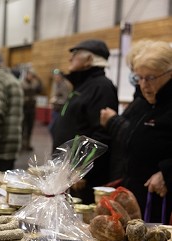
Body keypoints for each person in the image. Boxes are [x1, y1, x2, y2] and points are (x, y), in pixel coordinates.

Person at [100, 40, 172, 223]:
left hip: (161, 201)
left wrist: (166, 172)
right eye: (139, 78)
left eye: (150, 78)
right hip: (137, 194)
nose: (143, 85)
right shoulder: (144, 103)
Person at [50, 39, 119, 204]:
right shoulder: (83, 85)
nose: (69, 59)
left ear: (89, 60)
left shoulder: (101, 87)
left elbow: (101, 133)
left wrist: (80, 168)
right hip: (69, 169)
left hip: (84, 177)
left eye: (75, 55)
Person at [21, 69, 43, 151]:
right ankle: (22, 144)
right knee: (23, 127)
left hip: (32, 108)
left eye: (32, 75)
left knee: (30, 127)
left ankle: (28, 144)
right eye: (29, 75)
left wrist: (38, 79)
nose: (31, 77)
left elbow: (40, 90)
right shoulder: (22, 83)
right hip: (24, 108)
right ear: (26, 75)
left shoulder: (35, 83)